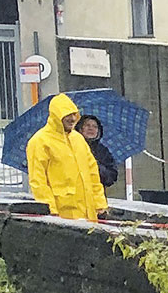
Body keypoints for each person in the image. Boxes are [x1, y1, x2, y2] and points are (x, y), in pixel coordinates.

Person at [25, 93, 108, 222]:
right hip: (62, 216)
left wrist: (100, 204)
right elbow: (38, 182)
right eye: (67, 115)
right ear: (56, 116)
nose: (73, 118)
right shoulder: (40, 141)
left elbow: (92, 174)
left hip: (89, 216)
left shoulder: (78, 139)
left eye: (74, 114)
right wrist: (50, 211)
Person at [75, 114, 119, 192]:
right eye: (87, 125)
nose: (91, 128)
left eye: (95, 126)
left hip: (97, 196)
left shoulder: (103, 151)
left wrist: (96, 167)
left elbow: (111, 177)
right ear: (80, 129)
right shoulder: (72, 146)